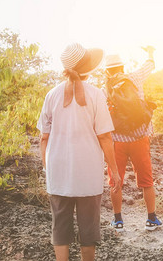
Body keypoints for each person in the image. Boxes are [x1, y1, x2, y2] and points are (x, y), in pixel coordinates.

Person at [37, 43, 121, 261]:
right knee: (88, 229)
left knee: (60, 227)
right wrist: (115, 170)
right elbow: (105, 136)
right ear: (87, 67)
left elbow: (43, 137)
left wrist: (48, 168)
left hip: (59, 172)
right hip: (88, 172)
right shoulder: (96, 95)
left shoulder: (51, 95)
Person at [104, 46, 162, 231]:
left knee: (116, 180)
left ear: (107, 70)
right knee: (147, 181)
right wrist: (151, 52)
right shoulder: (135, 77)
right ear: (122, 67)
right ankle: (151, 219)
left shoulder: (103, 89)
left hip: (116, 142)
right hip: (140, 138)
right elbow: (150, 64)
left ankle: (118, 220)